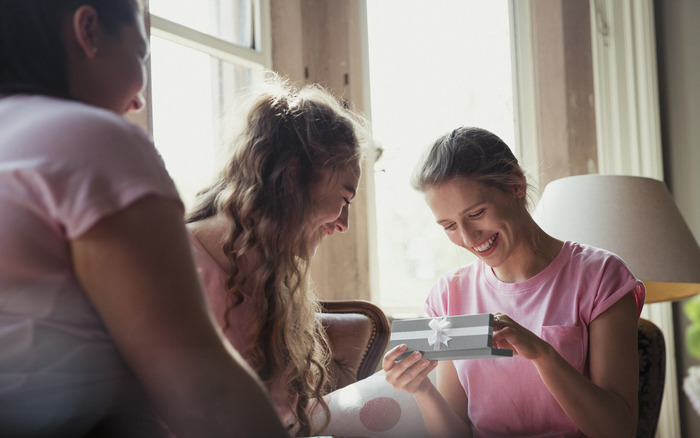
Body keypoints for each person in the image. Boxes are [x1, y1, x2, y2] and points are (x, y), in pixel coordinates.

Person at [0, 0, 287, 436]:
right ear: (89, 29)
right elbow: (205, 392)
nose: (139, 98)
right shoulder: (88, 139)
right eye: (139, 53)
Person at [383, 127, 646, 438]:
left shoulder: (601, 276)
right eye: (450, 226)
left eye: (477, 213)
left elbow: (618, 430)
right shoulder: (448, 295)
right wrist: (423, 390)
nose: (468, 238)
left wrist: (542, 354)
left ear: (516, 184)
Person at [185, 77, 368, 436]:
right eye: (344, 200)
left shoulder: (276, 276)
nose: (343, 224)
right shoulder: (178, 264)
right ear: (293, 176)